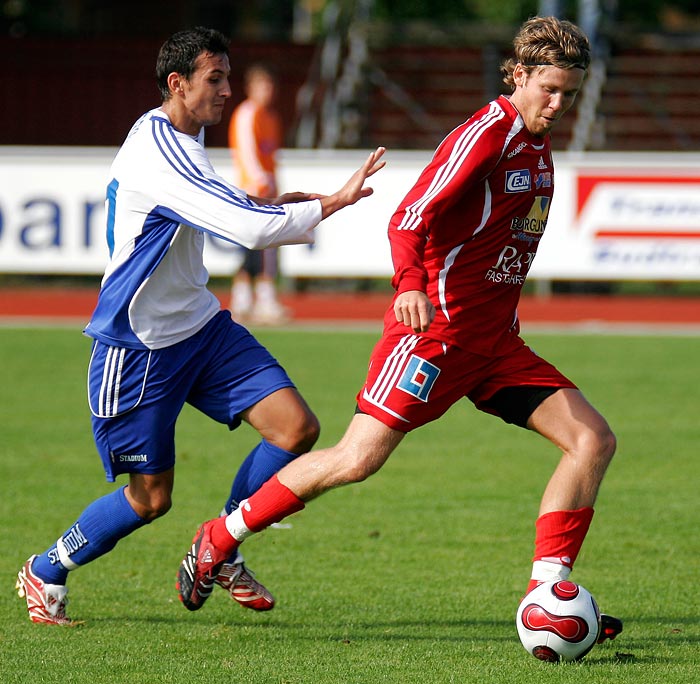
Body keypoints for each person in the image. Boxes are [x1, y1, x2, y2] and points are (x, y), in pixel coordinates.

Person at [176, 16, 623, 644]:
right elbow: (410, 216)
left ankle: (550, 593)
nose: (559, 104)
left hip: (495, 346)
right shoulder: (485, 134)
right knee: (356, 460)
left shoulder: (537, 144)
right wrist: (411, 283)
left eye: (570, 94)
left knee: (592, 440)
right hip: (434, 337)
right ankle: (217, 538)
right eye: (548, 89)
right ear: (518, 75)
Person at [15, 26, 385, 626]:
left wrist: (274, 206)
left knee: (295, 428)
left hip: (200, 327)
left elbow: (225, 208)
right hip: (138, 347)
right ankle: (46, 568)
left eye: (229, 77)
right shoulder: (157, 148)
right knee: (150, 499)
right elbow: (247, 229)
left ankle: (220, 544)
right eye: (216, 80)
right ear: (177, 83)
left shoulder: (189, 133)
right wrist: (328, 204)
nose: (227, 90)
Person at [228, 63, 288, 324]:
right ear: (250, 88)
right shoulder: (246, 115)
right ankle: (249, 300)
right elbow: (247, 154)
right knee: (254, 249)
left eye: (270, 86)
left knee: (263, 249)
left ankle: (255, 299)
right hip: (251, 192)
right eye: (262, 85)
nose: (267, 91)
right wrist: (260, 182)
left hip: (267, 191)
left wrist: (274, 184)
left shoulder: (271, 118)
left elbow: (270, 157)